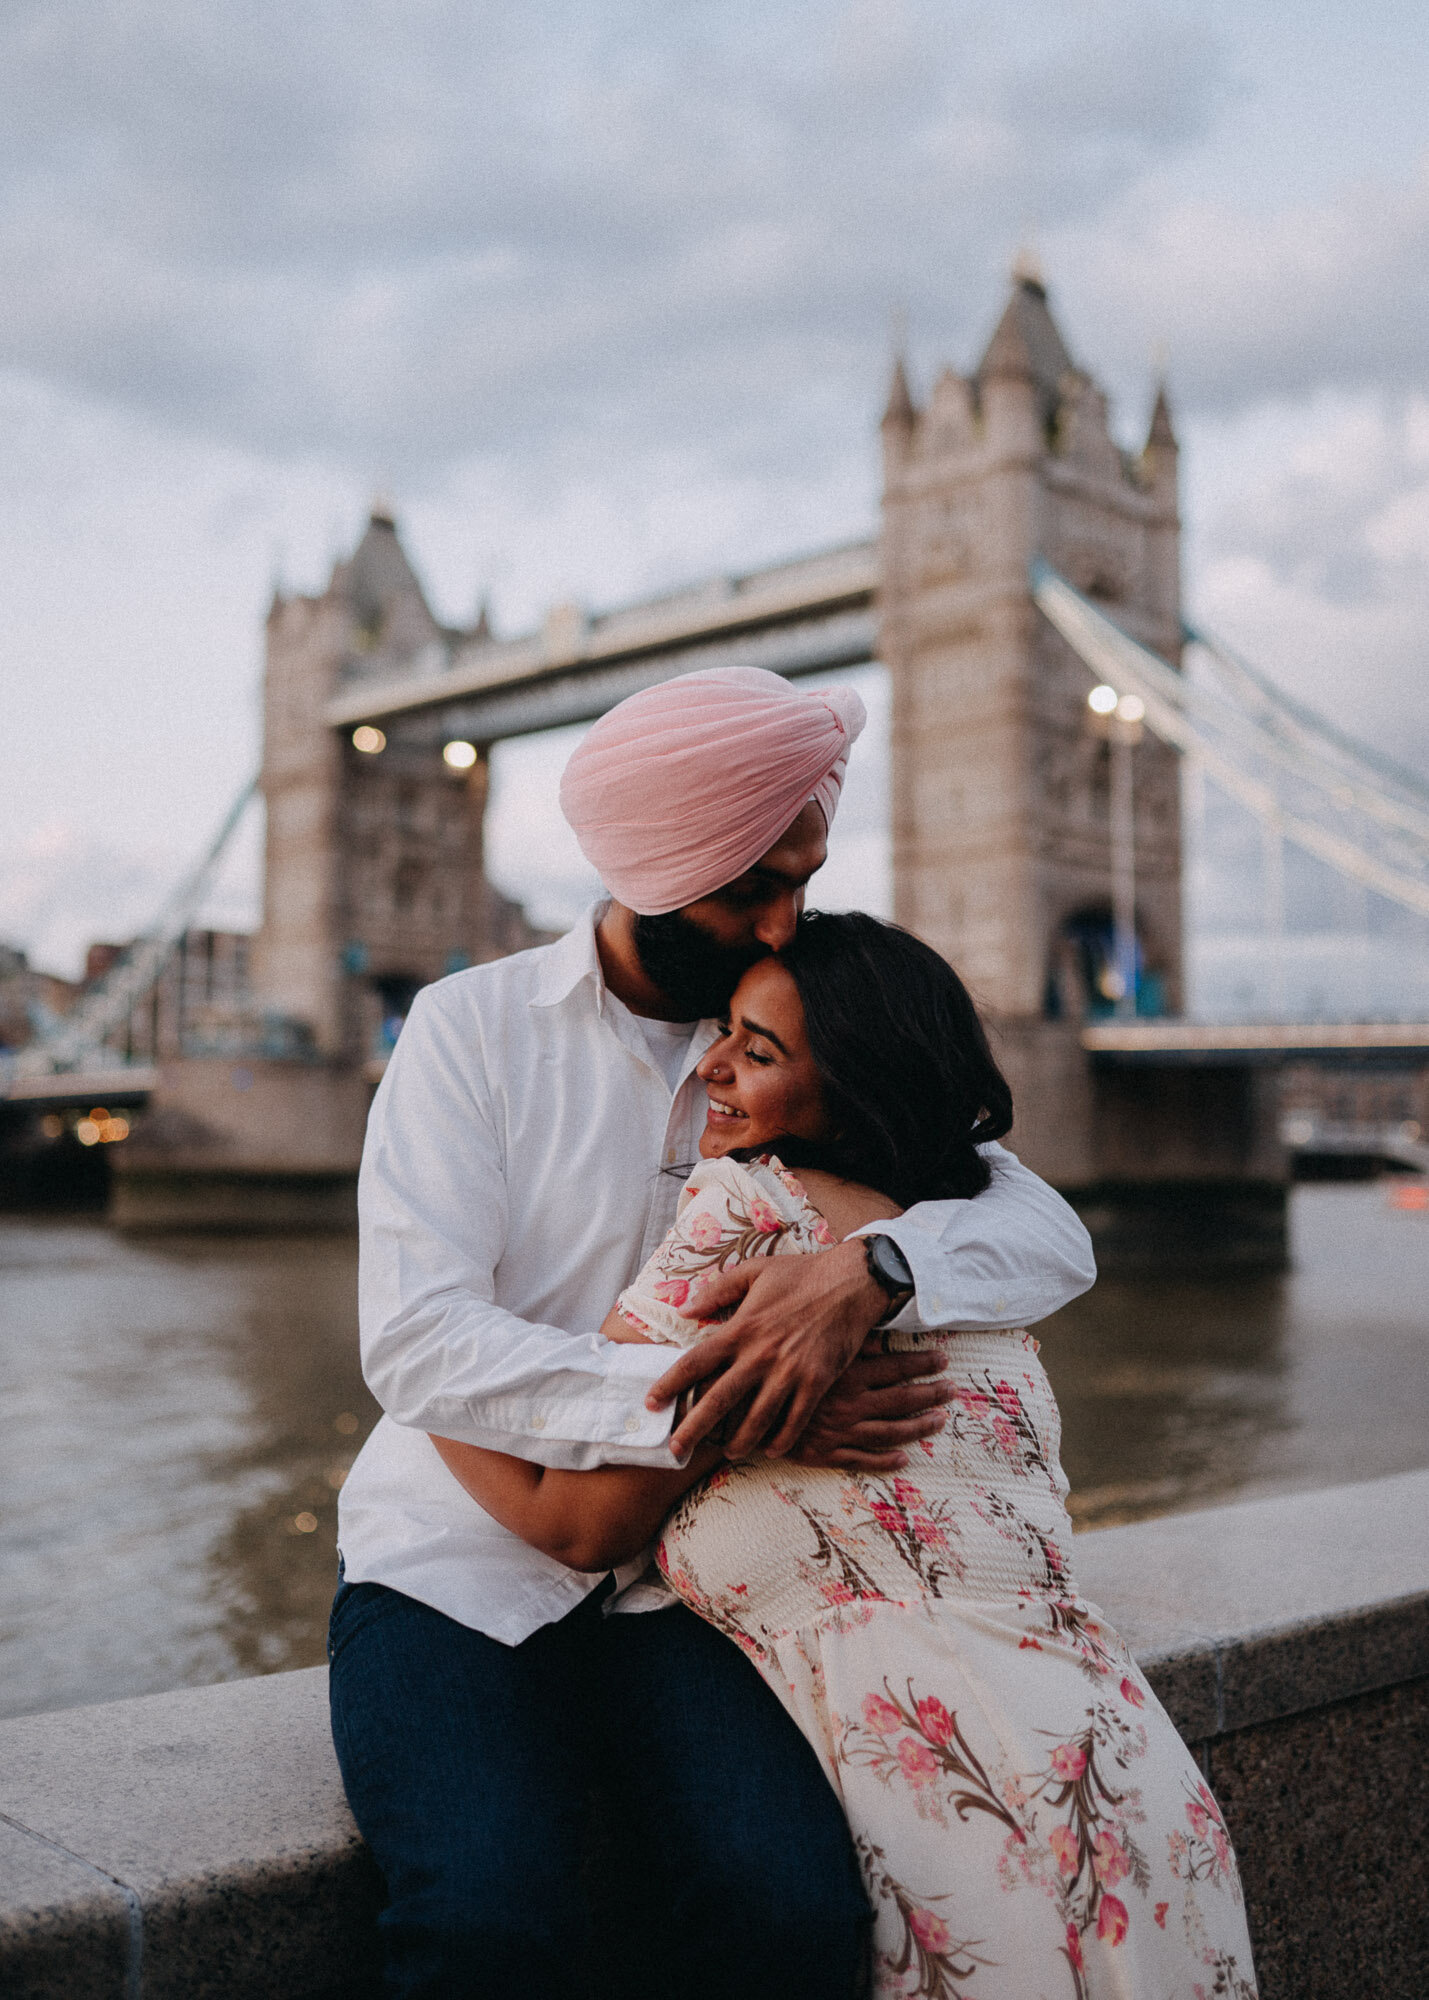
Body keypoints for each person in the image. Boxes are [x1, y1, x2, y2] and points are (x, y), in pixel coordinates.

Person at [329, 666, 1098, 2000]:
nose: (785, 919)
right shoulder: (468, 1030)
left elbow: (1046, 1231)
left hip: (694, 1583)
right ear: (653, 868)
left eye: (804, 877)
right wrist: (727, 1394)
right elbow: (419, 1341)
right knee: (488, 1923)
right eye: (753, 886)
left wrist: (878, 1272)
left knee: (792, 1914)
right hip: (453, 1562)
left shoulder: (801, 1018)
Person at [434, 912, 1259, 2000]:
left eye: (759, 1051)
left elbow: (577, 1520)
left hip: (935, 1800)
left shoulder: (743, 1214)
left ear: (854, 1089)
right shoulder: (972, 1236)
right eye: (725, 1033)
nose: (710, 1066)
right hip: (1129, 1783)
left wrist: (424, 1376)